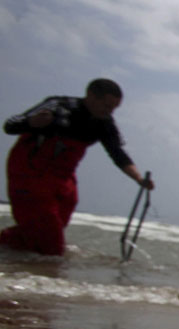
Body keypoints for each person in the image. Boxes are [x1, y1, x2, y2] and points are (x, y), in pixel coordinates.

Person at [2, 78, 154, 256]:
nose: (109, 111)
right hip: (30, 174)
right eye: (106, 106)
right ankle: (49, 268)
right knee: (51, 244)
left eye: (114, 108)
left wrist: (138, 178)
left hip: (64, 178)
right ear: (91, 96)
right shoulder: (58, 105)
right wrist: (31, 122)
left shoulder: (105, 123)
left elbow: (117, 153)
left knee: (46, 231)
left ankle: (7, 246)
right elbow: (10, 125)